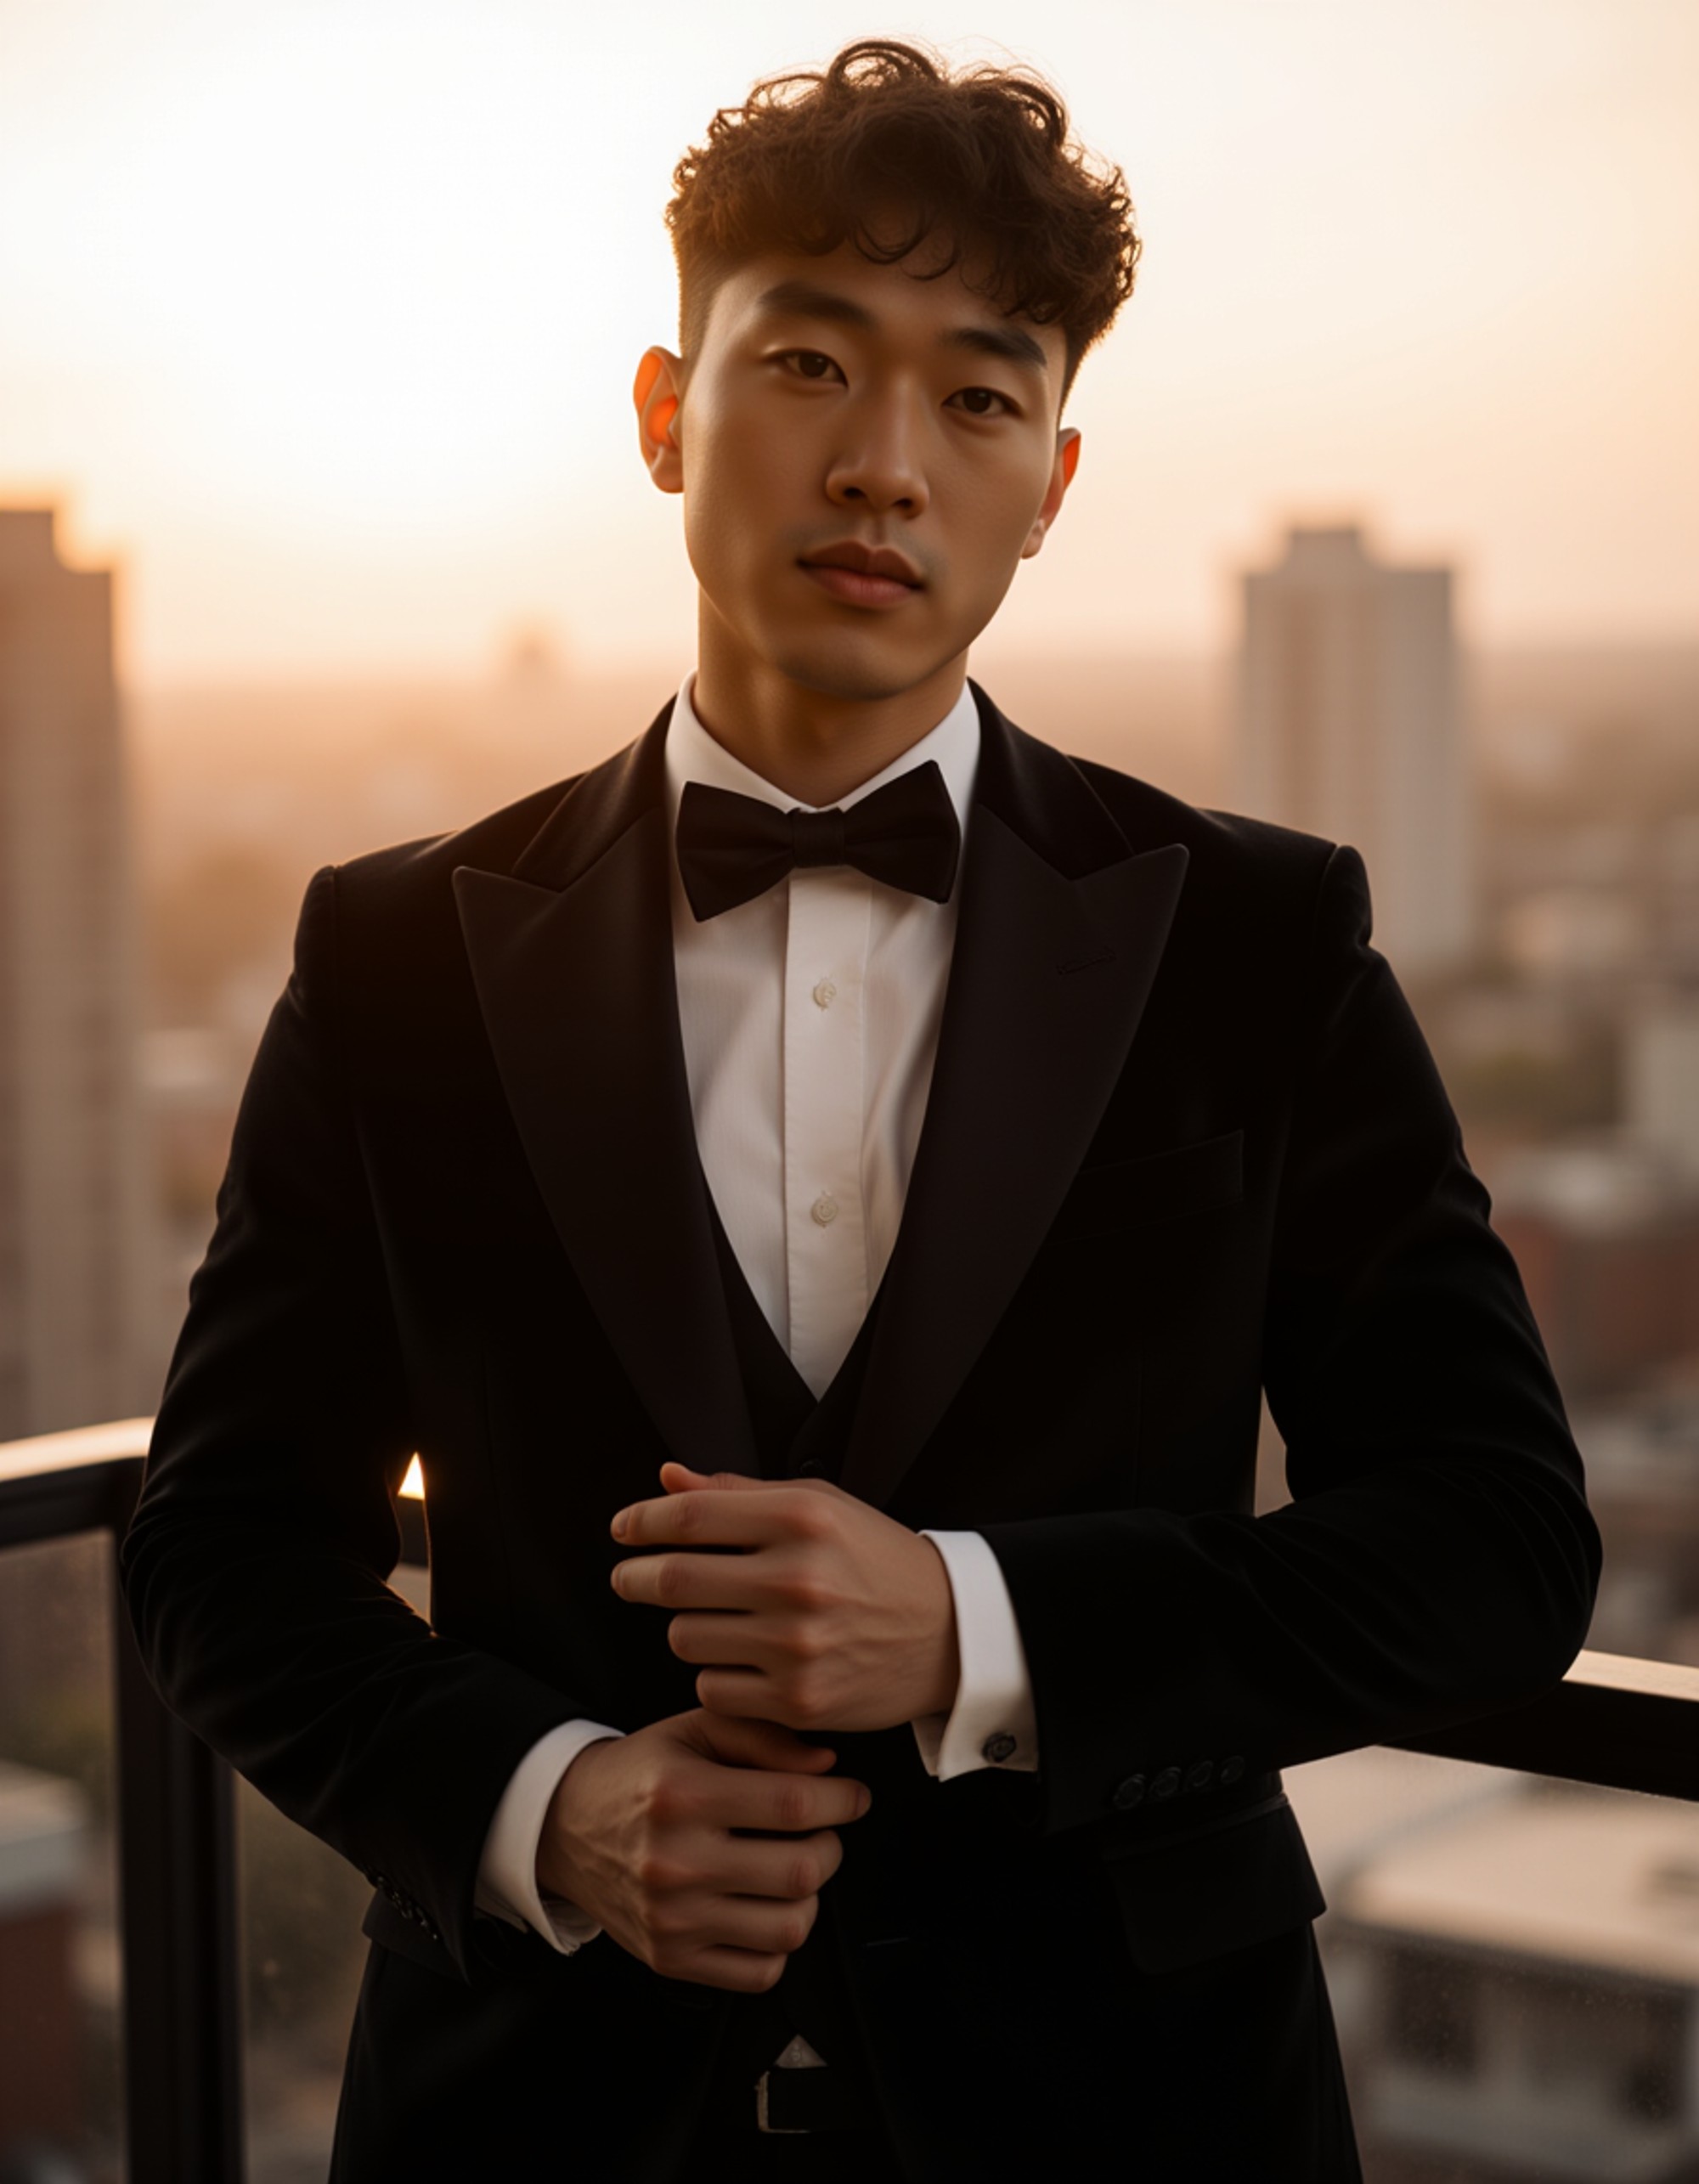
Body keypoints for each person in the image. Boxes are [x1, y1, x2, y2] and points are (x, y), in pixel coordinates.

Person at [120, 38, 1600, 2184]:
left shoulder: (1262, 941)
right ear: (663, 412)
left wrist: (983, 1625)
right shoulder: (395, 951)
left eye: (977, 396)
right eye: (809, 363)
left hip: (1138, 2117)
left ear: (1052, 483)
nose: (888, 464)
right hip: (533, 2115)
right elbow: (220, 1542)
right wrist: (545, 1804)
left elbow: (1493, 1541)